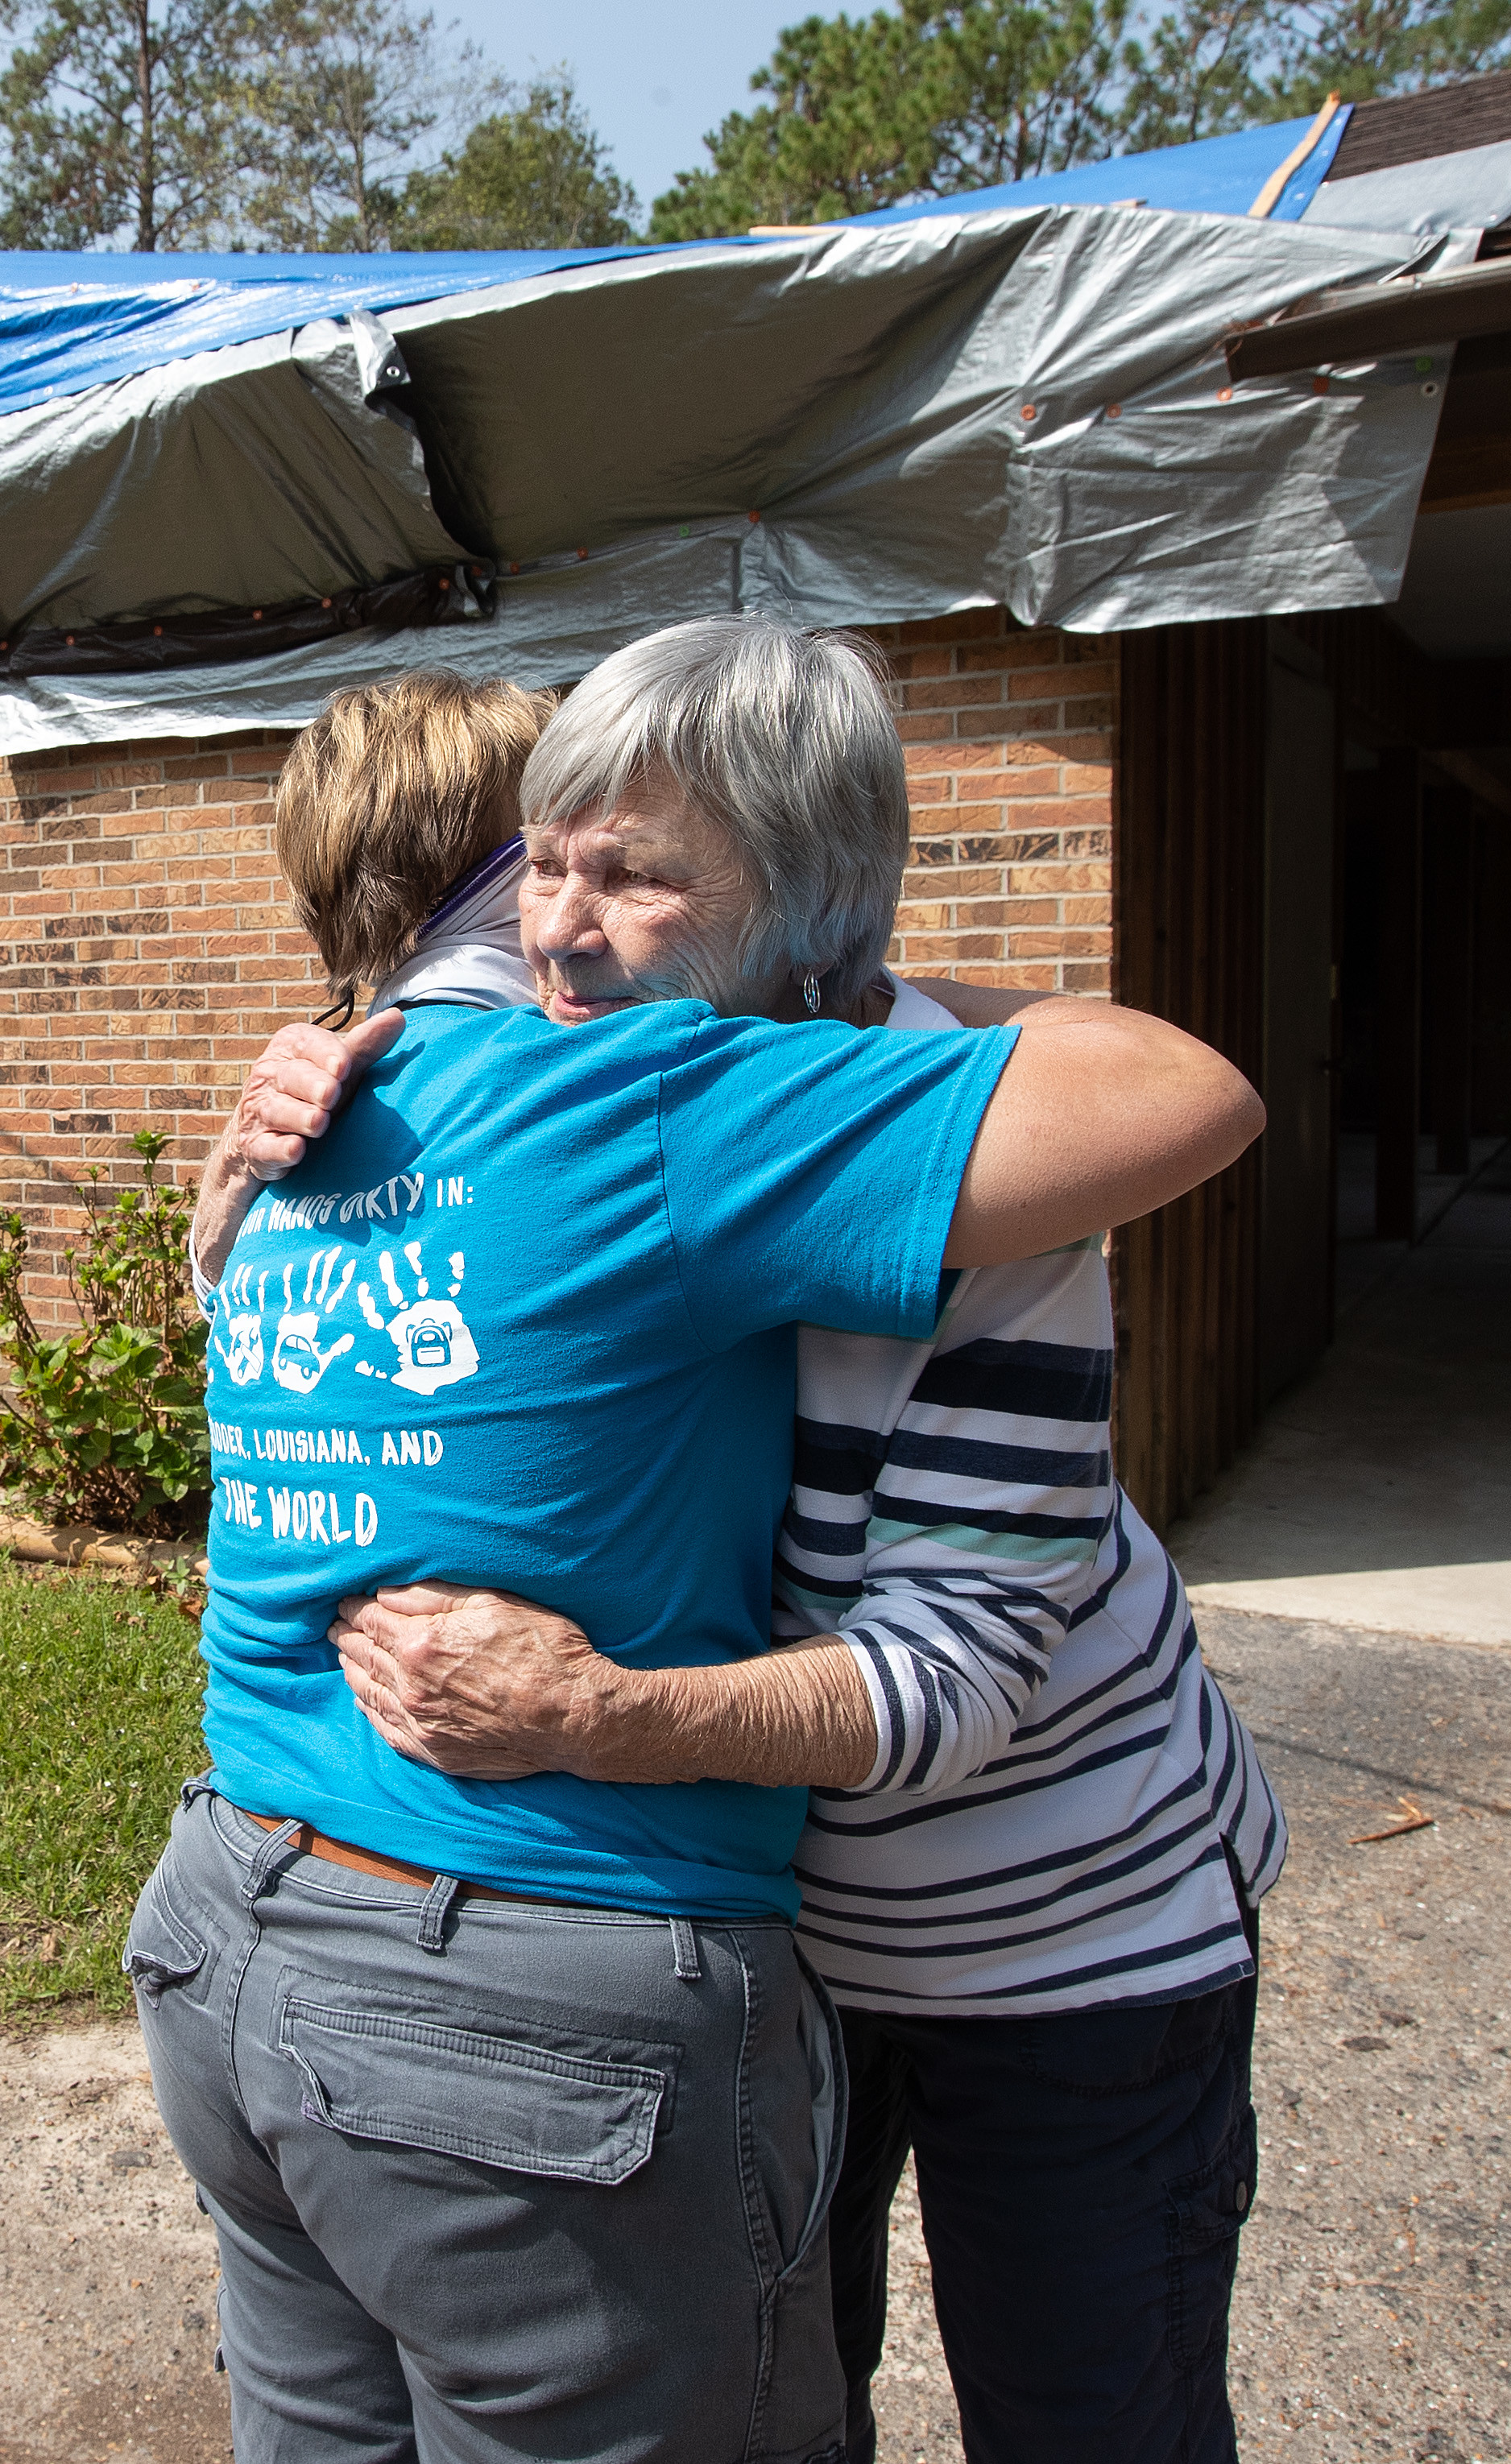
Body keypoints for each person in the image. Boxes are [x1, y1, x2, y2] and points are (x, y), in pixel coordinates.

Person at [136, 627, 1264, 2464]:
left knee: (1088, 2415)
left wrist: (598, 1712)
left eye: (633, 877)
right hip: (768, 1935)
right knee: (787, 2380)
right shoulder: (555, 1092)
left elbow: (963, 1657)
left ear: (808, 902)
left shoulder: (971, 1151)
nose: (555, 934)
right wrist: (238, 1185)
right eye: (541, 863)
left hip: (1044, 1937)